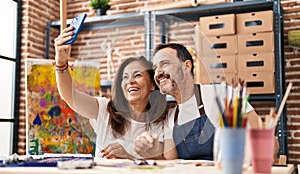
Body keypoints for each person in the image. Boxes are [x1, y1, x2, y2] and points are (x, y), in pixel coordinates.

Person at [54, 26, 177, 159]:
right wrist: (61, 63)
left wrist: (129, 157)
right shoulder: (104, 110)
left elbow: (171, 164)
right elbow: (70, 95)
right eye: (125, 77)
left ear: (153, 84)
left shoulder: (164, 120)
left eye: (137, 75)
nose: (130, 81)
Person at [134, 43, 262, 160]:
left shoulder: (221, 94)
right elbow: (171, 162)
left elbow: (263, 140)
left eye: (165, 63)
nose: (158, 73)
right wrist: (152, 153)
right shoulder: (171, 117)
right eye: (155, 68)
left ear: (186, 66)